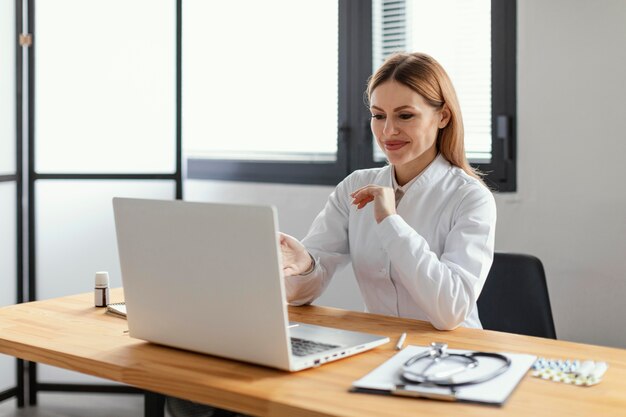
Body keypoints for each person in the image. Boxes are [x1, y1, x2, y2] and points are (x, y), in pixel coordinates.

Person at [279, 51, 496, 330]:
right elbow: (300, 296)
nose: (388, 131)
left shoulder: (470, 197)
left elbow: (450, 312)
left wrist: (390, 221)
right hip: (377, 346)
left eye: (405, 115)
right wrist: (303, 267)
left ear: (442, 117)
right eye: (378, 116)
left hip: (450, 356)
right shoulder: (354, 187)